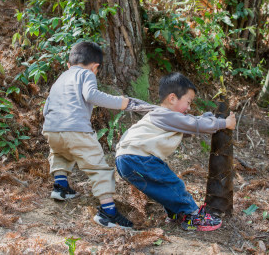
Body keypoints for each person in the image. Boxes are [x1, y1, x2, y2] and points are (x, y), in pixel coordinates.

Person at [115, 72, 236, 231]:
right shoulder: (165, 114)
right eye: (188, 101)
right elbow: (193, 124)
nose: (189, 107)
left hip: (128, 160)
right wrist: (224, 123)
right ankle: (192, 215)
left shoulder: (166, 117)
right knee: (172, 184)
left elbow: (192, 125)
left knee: (162, 187)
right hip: (137, 158)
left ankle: (177, 214)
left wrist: (207, 118)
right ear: (172, 98)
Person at [42, 41, 138, 228]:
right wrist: (121, 102)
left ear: (69, 65)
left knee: (60, 152)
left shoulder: (61, 77)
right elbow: (91, 95)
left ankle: (60, 186)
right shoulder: (86, 74)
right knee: (98, 168)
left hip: (51, 129)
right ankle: (108, 212)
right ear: (95, 67)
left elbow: (47, 105)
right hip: (76, 130)